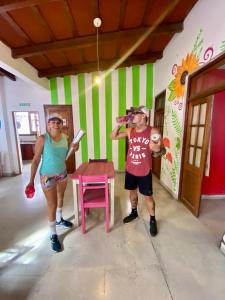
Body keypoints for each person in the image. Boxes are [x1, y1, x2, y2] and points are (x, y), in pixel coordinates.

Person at [26, 113, 79, 252]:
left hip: (62, 173)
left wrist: (74, 148)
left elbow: (66, 155)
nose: (56, 124)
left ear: (62, 124)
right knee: (52, 203)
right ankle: (53, 234)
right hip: (47, 176)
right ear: (48, 124)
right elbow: (36, 159)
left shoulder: (65, 138)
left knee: (61, 197)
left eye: (58, 122)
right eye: (52, 121)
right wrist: (30, 181)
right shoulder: (43, 139)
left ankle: (60, 219)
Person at [110, 106, 162, 236]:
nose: (132, 116)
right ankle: (134, 212)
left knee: (148, 197)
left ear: (144, 115)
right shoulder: (129, 130)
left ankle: (153, 220)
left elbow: (159, 148)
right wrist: (118, 124)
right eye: (131, 114)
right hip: (131, 169)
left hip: (144, 170)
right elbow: (113, 137)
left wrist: (155, 147)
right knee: (132, 194)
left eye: (135, 113)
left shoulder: (153, 130)